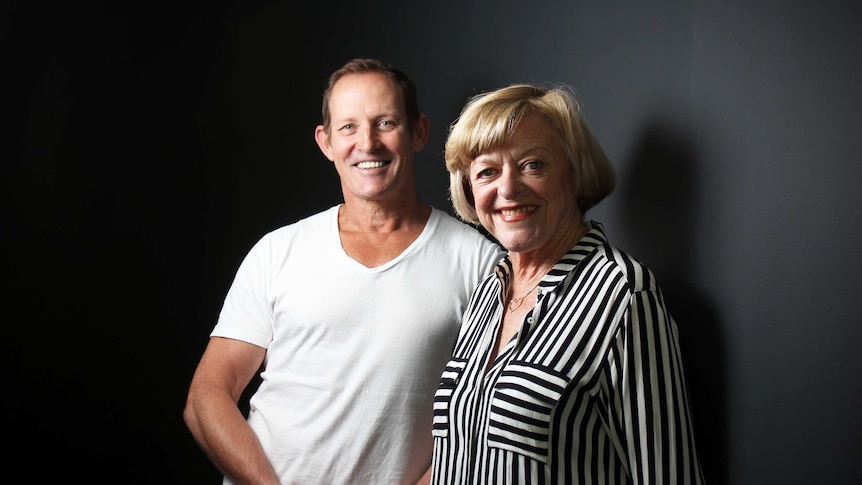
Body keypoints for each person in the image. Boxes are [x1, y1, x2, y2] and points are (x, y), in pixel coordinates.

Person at [183, 58, 505, 485]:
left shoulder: (478, 263)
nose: (367, 143)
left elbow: (485, 426)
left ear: (419, 132)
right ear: (326, 142)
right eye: (348, 127)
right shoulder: (278, 251)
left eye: (386, 122)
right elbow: (207, 397)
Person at [429, 84, 706, 484]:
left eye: (532, 165)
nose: (507, 189)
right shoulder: (489, 290)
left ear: (574, 172)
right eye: (488, 171)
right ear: (470, 189)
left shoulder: (623, 293)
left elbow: (669, 475)